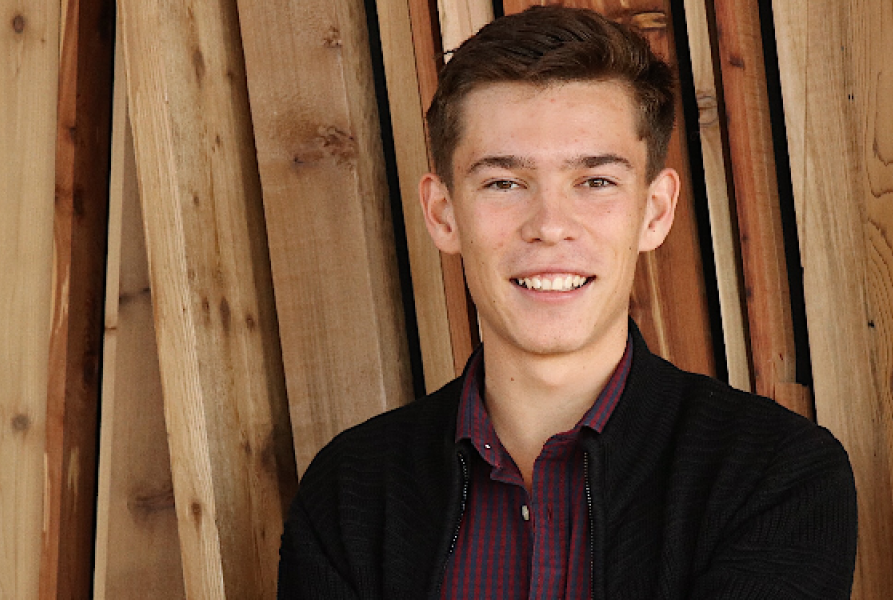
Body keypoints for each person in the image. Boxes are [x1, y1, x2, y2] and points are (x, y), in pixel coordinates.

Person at [277, 6, 856, 599]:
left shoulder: (775, 474)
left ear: (655, 211)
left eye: (596, 181)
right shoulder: (351, 492)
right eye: (504, 183)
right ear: (443, 213)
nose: (550, 226)